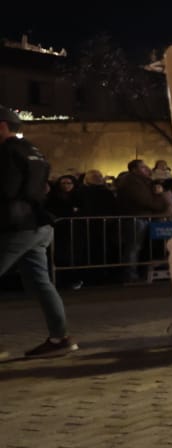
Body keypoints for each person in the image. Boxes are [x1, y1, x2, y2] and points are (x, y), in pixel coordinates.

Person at [0, 109, 78, 359]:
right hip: (38, 224)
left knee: (41, 284)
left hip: (15, 227)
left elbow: (7, 189)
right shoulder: (34, 151)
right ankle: (60, 337)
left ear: (2, 126)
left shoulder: (6, 152)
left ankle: (60, 338)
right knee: (42, 284)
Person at [115, 158, 172, 282]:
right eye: (143, 167)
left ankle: (141, 272)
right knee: (134, 247)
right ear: (134, 170)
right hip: (136, 218)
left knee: (140, 247)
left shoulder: (145, 181)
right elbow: (145, 200)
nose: (147, 169)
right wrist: (162, 203)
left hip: (145, 217)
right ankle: (130, 274)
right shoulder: (132, 182)